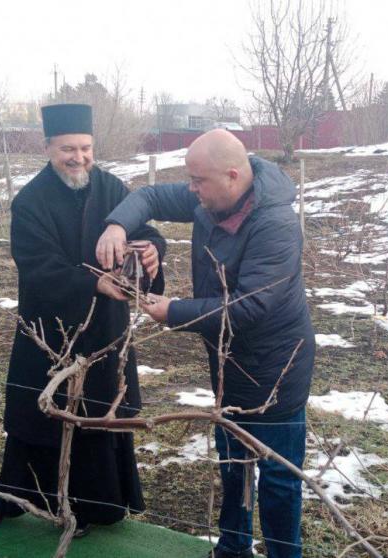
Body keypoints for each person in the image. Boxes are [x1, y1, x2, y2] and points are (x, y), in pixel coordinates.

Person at [96, 129, 315, 558]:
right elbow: (154, 197)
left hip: (277, 369)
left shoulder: (276, 225)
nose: (192, 190)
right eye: (191, 181)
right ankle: (233, 548)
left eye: (199, 181)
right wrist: (116, 225)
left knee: (278, 479)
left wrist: (174, 311)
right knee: (232, 464)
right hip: (227, 363)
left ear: (233, 176)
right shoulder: (211, 197)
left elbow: (249, 307)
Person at [0, 104, 166, 535]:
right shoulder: (30, 202)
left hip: (104, 330)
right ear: (47, 148)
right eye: (68, 149)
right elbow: (37, 266)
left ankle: (90, 508)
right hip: (49, 328)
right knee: (35, 414)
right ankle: (14, 498)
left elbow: (146, 233)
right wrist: (92, 284)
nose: (79, 157)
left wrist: (153, 251)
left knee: (97, 414)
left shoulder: (113, 188)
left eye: (86, 148)